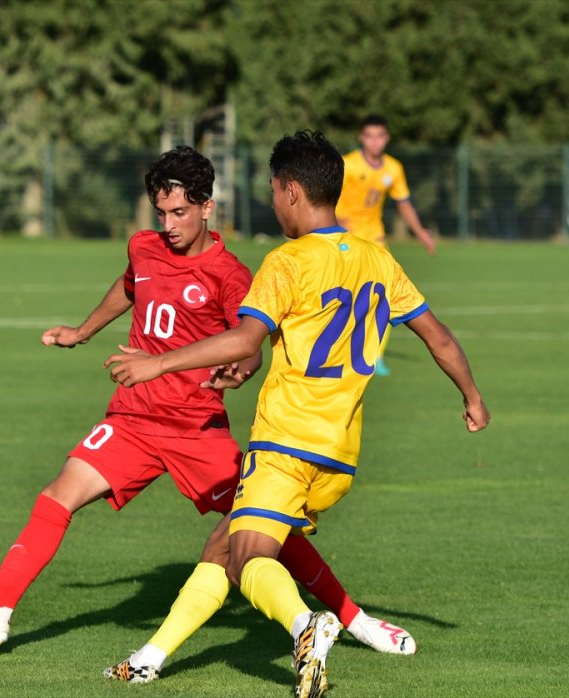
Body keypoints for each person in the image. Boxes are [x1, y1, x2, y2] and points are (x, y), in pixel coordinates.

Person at [0, 146, 417, 664]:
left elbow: (248, 345)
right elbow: (130, 285)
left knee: (263, 529)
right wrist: (83, 331)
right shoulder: (145, 248)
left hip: (197, 428)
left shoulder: (230, 275)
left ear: (206, 207)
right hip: (134, 419)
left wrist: (239, 373)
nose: (169, 223)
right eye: (161, 212)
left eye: (179, 212)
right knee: (57, 496)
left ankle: (354, 620)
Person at [106, 131, 490, 697]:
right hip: (338, 455)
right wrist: (472, 397)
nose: (271, 200)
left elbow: (244, 340)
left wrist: (159, 364)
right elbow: (439, 338)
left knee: (249, 557)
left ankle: (306, 625)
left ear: (290, 191)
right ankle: (148, 659)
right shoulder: (377, 258)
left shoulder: (287, 261)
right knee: (224, 544)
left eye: (271, 190)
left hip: (285, 443)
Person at [335, 114, 437, 376]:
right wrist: (335, 219)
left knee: (386, 297)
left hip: (375, 240)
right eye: (369, 136)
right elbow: (327, 195)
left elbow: (403, 203)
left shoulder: (393, 169)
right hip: (344, 240)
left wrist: (420, 233)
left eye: (379, 136)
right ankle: (336, 348)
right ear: (361, 138)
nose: (375, 142)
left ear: (386, 138)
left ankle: (374, 356)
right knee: (342, 297)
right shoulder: (347, 164)